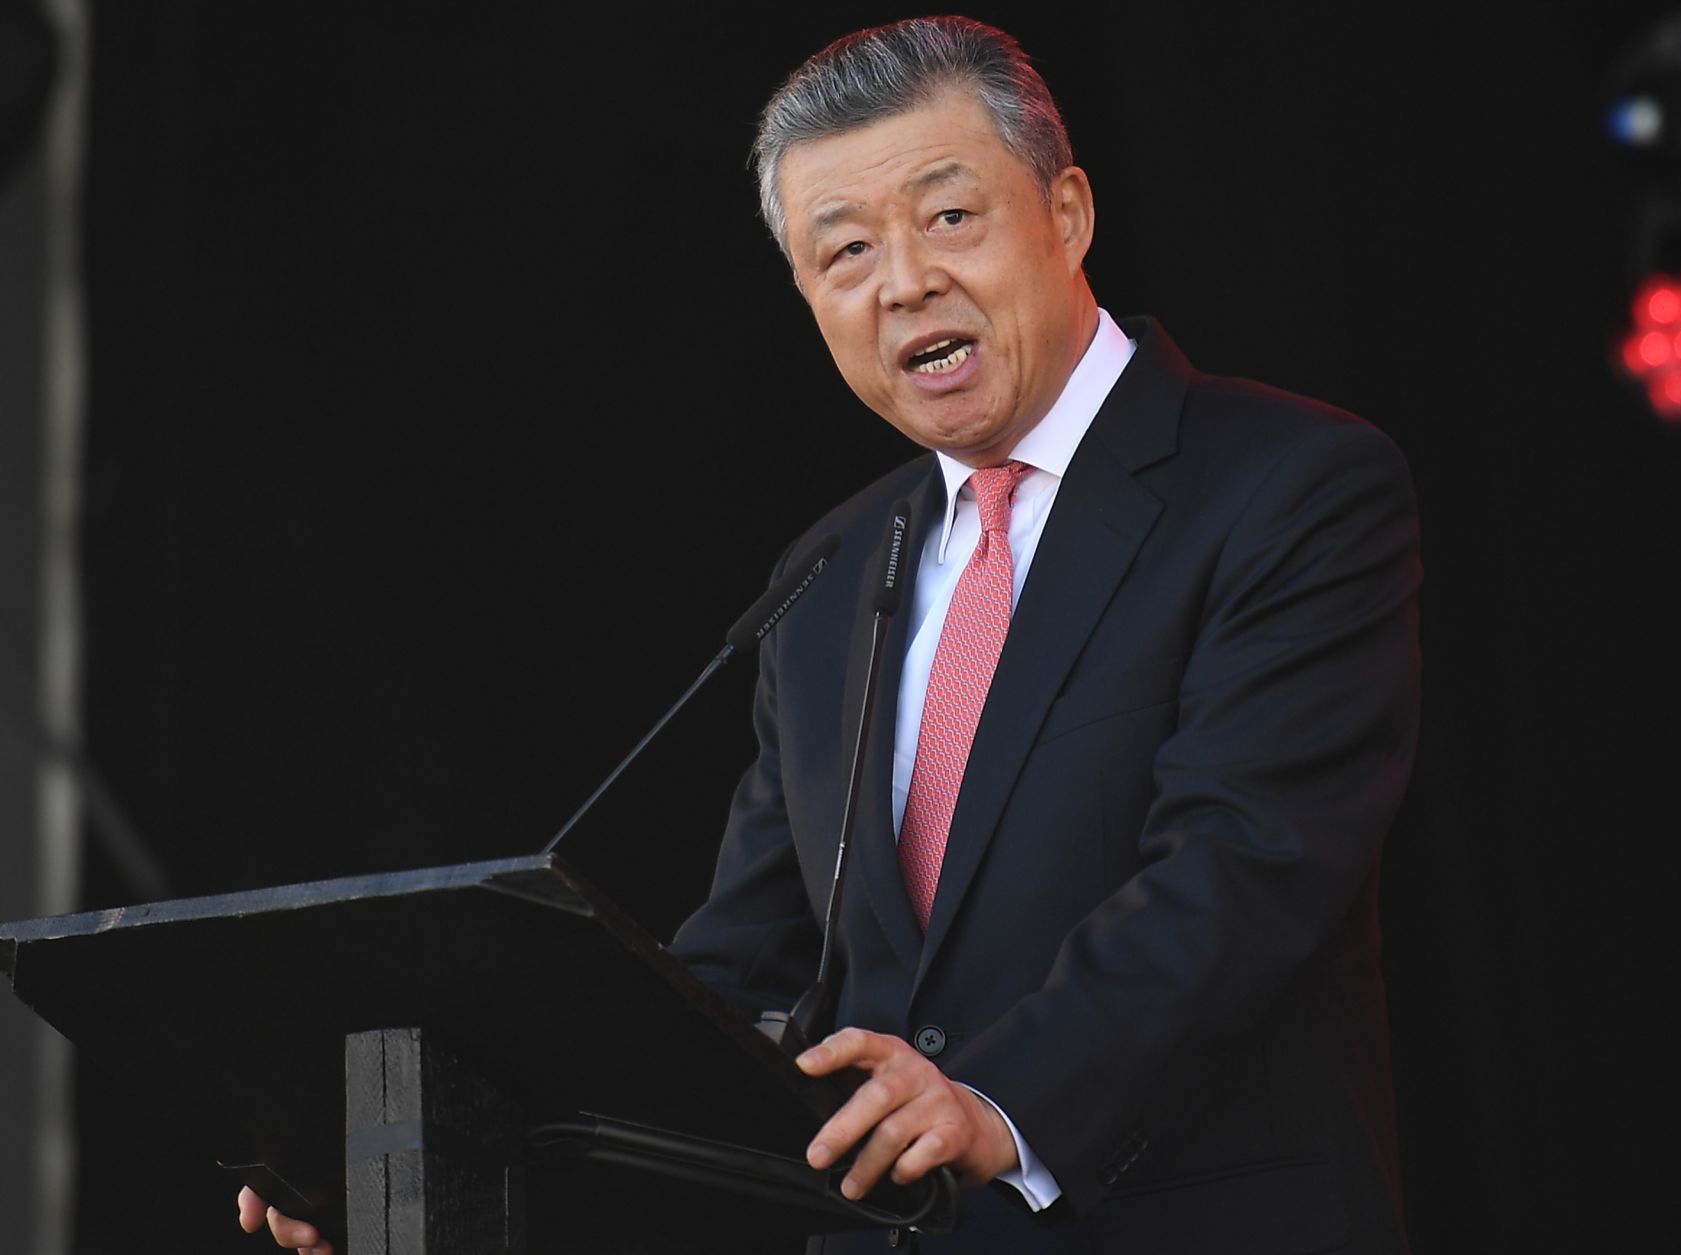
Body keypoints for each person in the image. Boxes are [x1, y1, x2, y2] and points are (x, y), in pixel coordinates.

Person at [241, 15, 1420, 1254]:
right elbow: (741, 975)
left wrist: (993, 1099)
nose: (903, 280)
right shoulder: (833, 571)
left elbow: (1243, 868)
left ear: (1067, 214)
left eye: (948, 216)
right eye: (846, 249)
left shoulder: (1287, 487)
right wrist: (431, 1146)